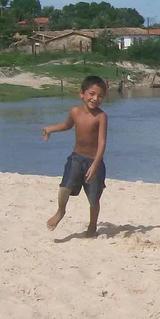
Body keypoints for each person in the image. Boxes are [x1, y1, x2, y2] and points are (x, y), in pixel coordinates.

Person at [42, 75, 109, 238]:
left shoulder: (101, 116)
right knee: (64, 187)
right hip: (76, 158)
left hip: (95, 162)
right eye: (92, 94)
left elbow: (102, 143)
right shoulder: (75, 111)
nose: (95, 99)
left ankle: (92, 225)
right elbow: (67, 125)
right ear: (82, 94)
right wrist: (50, 129)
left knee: (94, 198)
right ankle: (60, 211)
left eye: (100, 96)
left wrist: (95, 165)